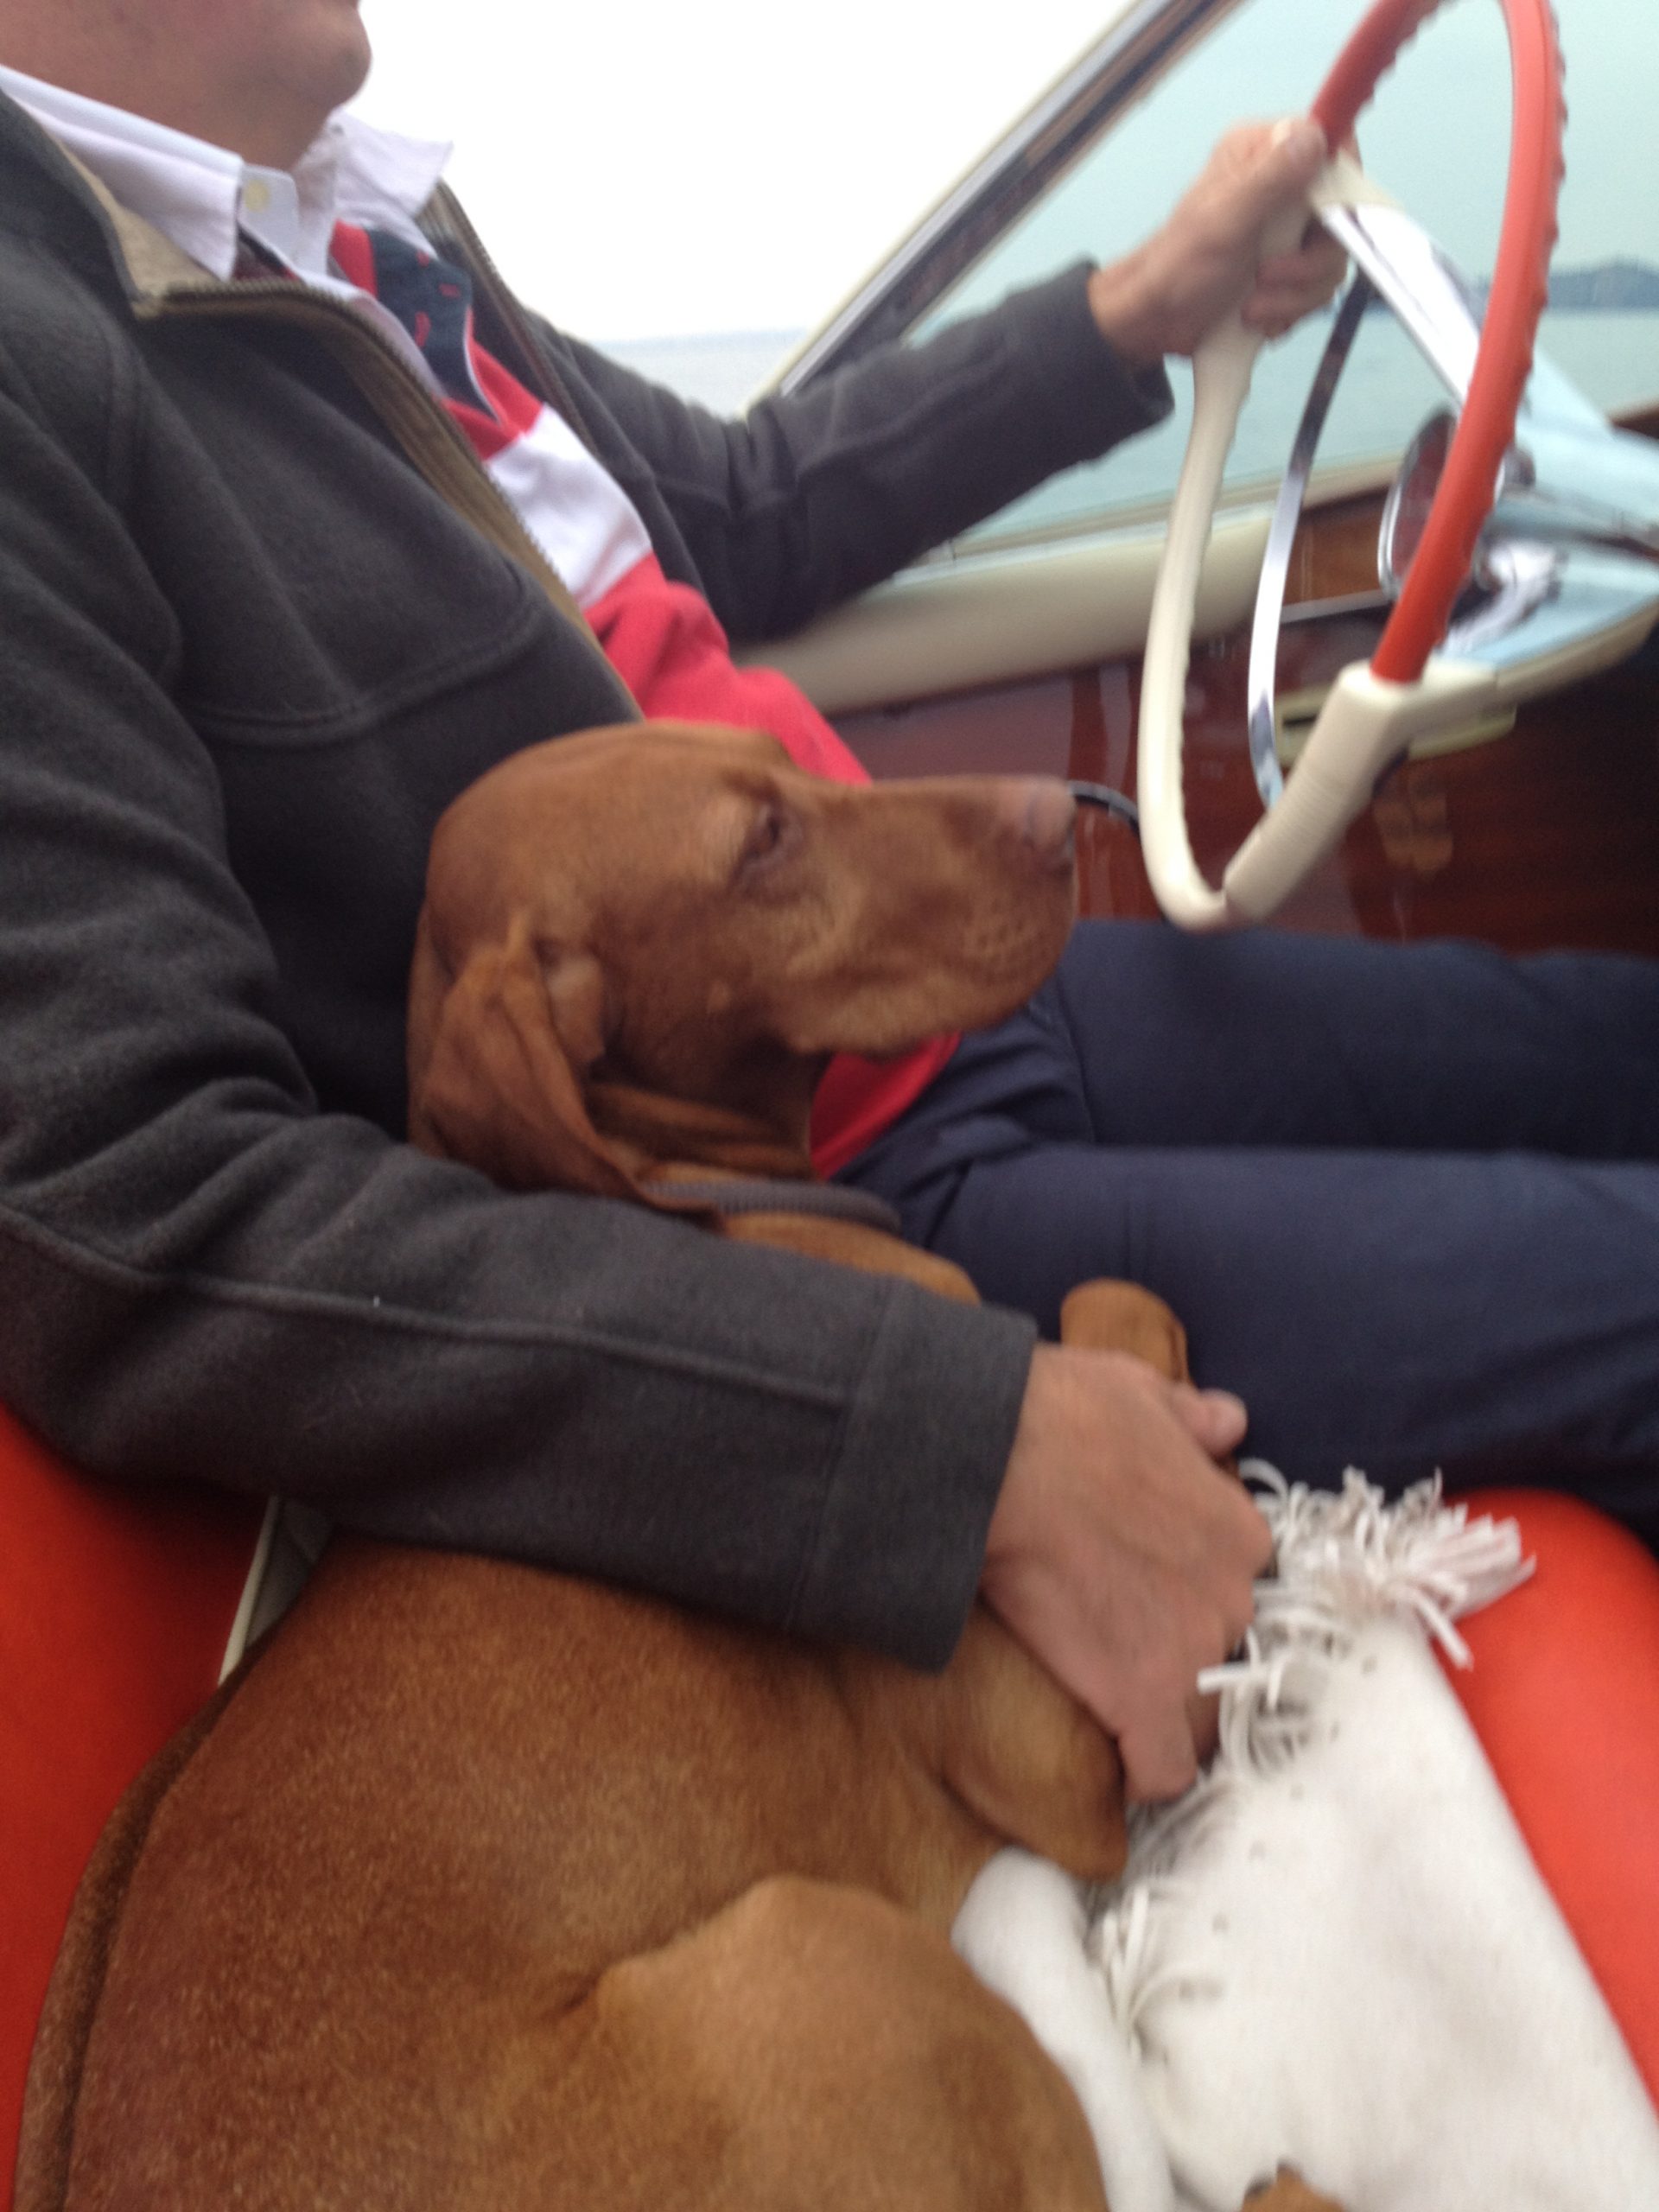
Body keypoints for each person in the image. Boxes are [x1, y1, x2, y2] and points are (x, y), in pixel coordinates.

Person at [0, 0, 1638, 1819]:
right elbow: (128, 1201)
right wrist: (928, 1429)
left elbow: (736, 503)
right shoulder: (31, 349)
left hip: (960, 1007)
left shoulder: (352, 229)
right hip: (810, 1204)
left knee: (1608, 1039)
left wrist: (1141, 306)